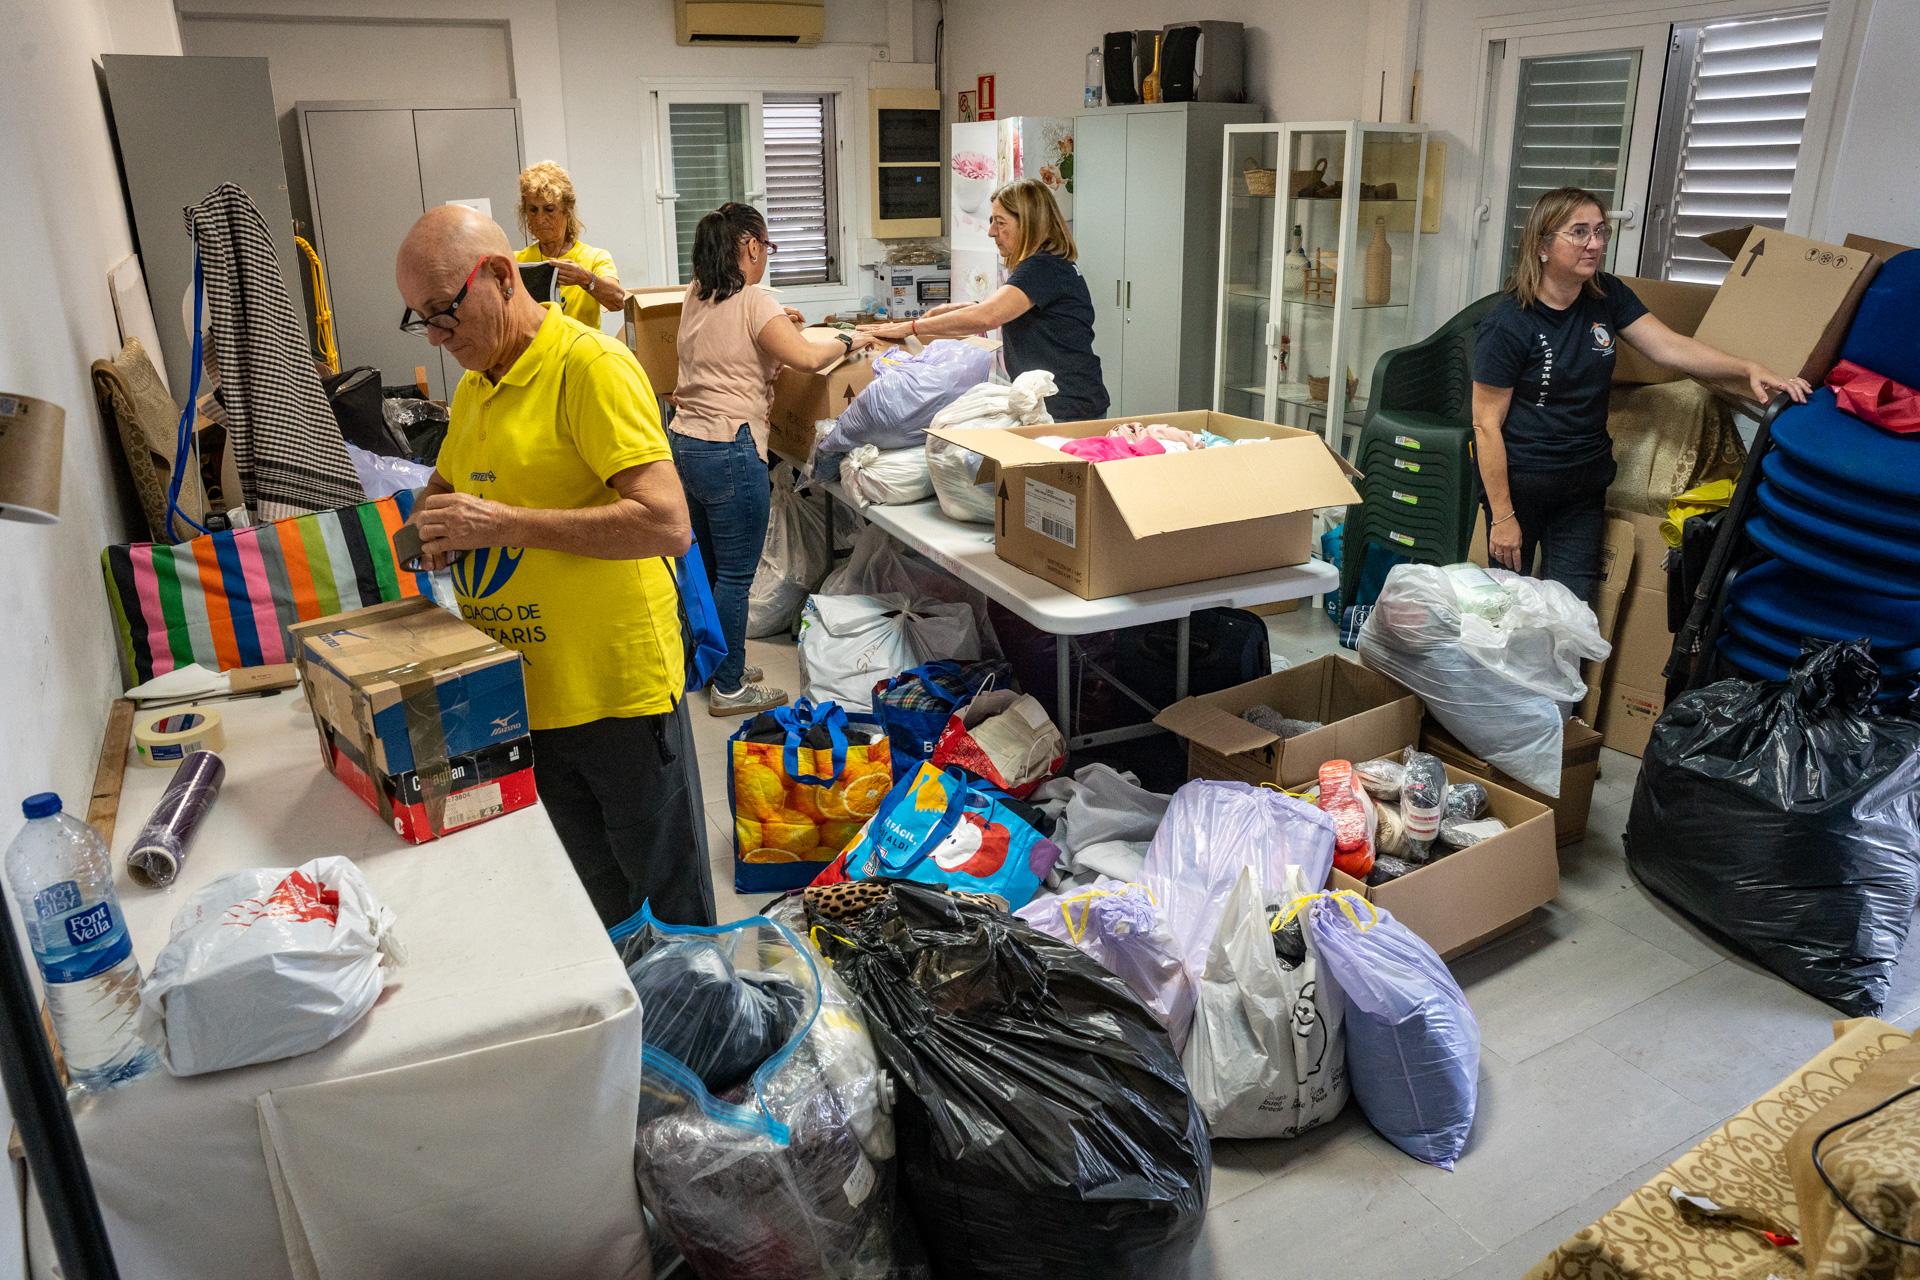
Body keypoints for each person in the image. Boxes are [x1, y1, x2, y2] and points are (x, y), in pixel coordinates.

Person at [393, 203, 713, 928]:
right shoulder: (478, 383)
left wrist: (502, 524)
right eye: (421, 320)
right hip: (527, 698)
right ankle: (630, 1033)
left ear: (503, 276)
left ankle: (708, 1034)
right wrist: (429, 527)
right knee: (595, 897)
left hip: (615, 699)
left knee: (670, 903)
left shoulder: (589, 368)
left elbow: (668, 524)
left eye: (445, 312)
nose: (439, 338)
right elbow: (444, 490)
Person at [1471, 186, 1810, 602]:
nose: (1594, 244)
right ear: (1542, 245)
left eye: (1600, 231)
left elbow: (1669, 347)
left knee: (1573, 613)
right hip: (1523, 485)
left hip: (1583, 484)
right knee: (1509, 614)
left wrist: (1747, 368)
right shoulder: (1508, 323)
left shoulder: (1605, 295)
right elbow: (1485, 424)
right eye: (1579, 233)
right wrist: (1503, 515)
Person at [671, 201, 874, 716]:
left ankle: (716, 664)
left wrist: (779, 319)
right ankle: (732, 687)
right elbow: (807, 357)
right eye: (767, 250)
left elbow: (730, 337)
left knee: (713, 567)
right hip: (732, 449)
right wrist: (853, 337)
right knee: (736, 577)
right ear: (751, 247)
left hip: (687, 445)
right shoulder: (754, 298)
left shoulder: (697, 294)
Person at [860, 178, 1109, 421]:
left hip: (1068, 405)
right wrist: (953, 310)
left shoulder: (1043, 267)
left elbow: (989, 316)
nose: (991, 232)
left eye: (1000, 223)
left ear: (1029, 224)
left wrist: (909, 327)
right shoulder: (1049, 265)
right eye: (992, 221)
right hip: (1062, 401)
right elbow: (1009, 308)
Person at [516, 161, 623, 329]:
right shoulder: (517, 262)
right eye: (533, 210)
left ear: (567, 208)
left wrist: (586, 279)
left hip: (583, 353)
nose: (540, 219)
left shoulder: (594, 258)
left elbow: (617, 301)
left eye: (549, 209)